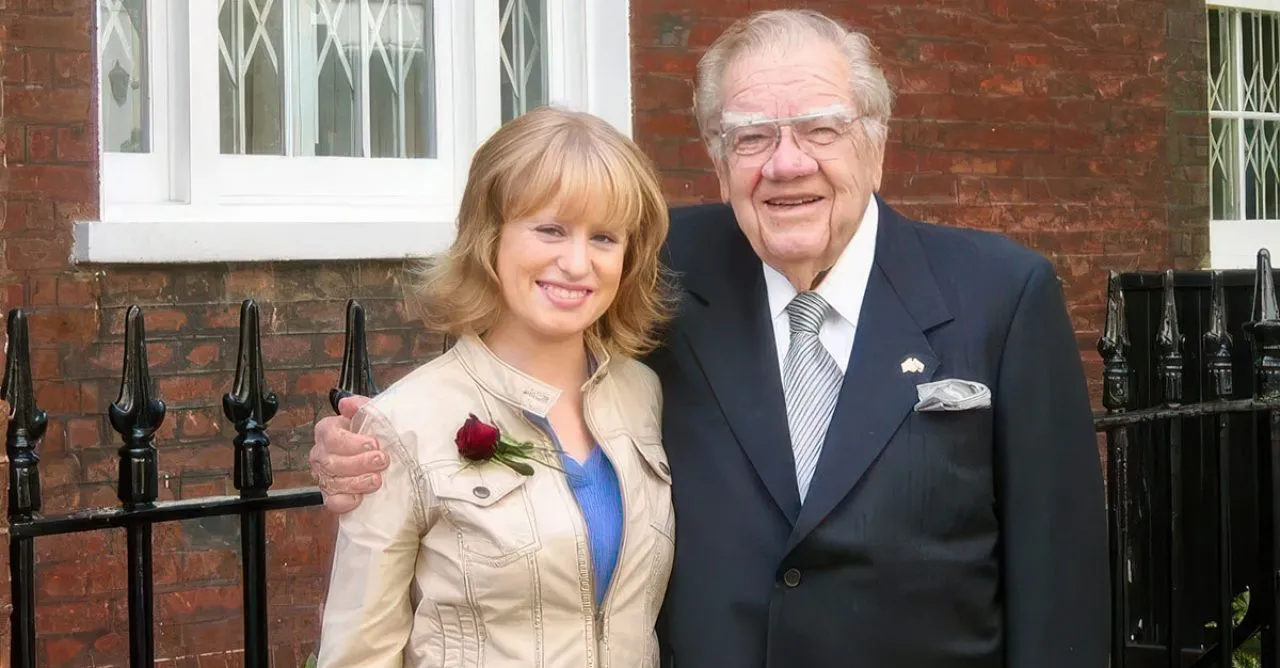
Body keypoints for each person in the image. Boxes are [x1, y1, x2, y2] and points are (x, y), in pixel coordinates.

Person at [309, 9, 1110, 668]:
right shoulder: (654, 269)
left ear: (876, 139)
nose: (785, 163)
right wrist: (368, 449)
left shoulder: (1000, 293)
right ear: (718, 160)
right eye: (751, 136)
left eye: (819, 129)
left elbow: (1058, 576)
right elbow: (518, 334)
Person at [312, 105, 677, 667]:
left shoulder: (645, 394)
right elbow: (358, 654)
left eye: (604, 237)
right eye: (550, 229)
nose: (577, 262)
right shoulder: (404, 423)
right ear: (490, 237)